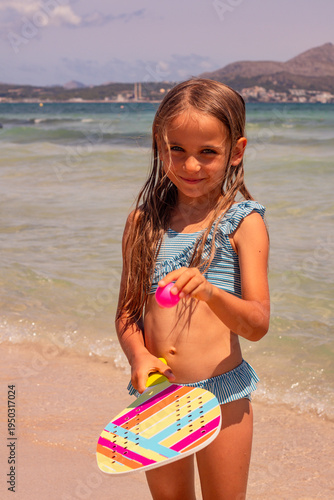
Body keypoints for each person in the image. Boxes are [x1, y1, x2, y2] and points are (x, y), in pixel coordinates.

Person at [115, 78, 270, 500]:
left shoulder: (242, 223)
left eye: (208, 152)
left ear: (235, 152)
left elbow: (257, 324)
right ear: (159, 145)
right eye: (177, 150)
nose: (190, 166)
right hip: (159, 395)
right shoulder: (141, 223)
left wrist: (210, 292)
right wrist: (139, 355)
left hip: (223, 396)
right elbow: (128, 313)